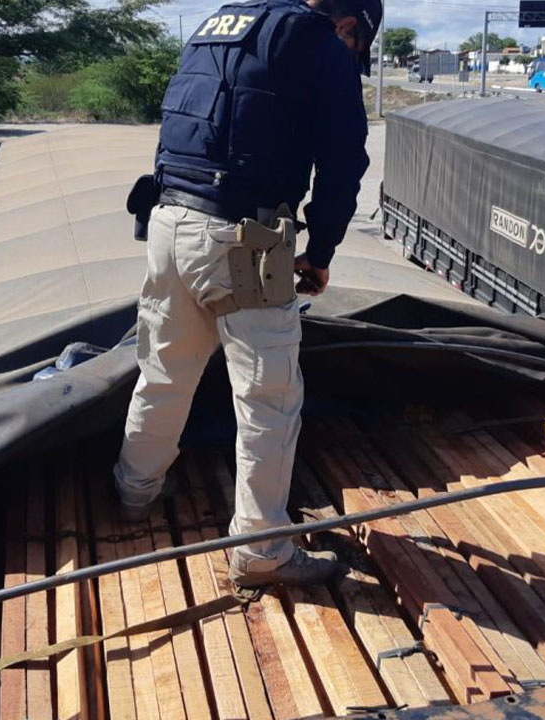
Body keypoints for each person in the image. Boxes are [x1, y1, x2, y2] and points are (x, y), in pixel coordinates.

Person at [115, 0, 380, 588]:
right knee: (268, 398)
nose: (352, 56)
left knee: (163, 372)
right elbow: (342, 164)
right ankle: (262, 550)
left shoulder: (220, 26)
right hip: (245, 241)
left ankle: (133, 497)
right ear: (348, 26)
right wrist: (322, 253)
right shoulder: (319, 43)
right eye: (357, 47)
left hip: (166, 223)